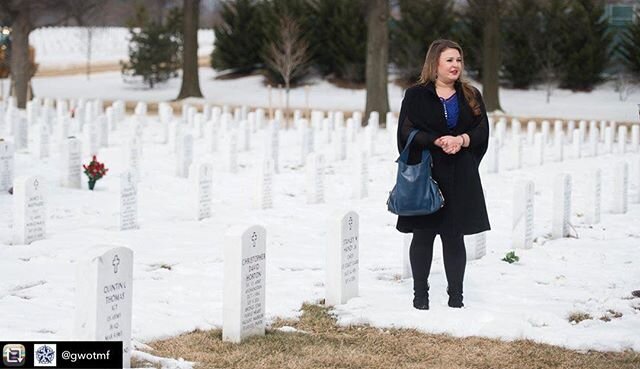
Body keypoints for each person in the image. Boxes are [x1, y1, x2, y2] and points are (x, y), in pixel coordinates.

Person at [396, 39, 490, 310]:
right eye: (449, 60)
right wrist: (436, 141)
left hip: (460, 174)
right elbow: (405, 132)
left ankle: (456, 298)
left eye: (459, 60)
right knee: (423, 236)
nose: (455, 65)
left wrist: (461, 140)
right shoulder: (416, 95)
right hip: (427, 175)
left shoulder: (471, 94)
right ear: (434, 62)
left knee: (454, 236)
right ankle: (420, 296)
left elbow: (482, 131)